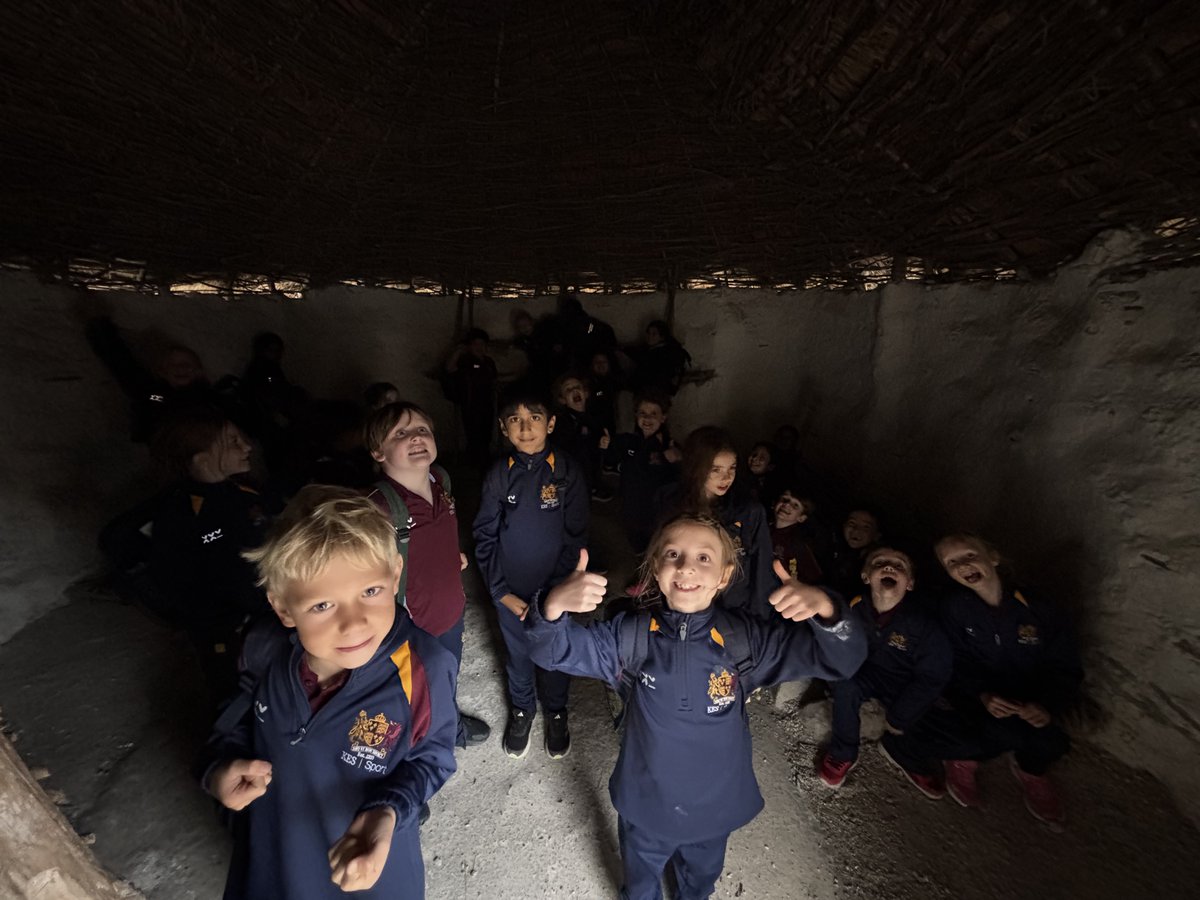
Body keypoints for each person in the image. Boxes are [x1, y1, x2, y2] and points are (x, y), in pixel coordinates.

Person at [525, 513, 866, 900]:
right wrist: (553, 606)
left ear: (724, 575)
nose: (686, 566)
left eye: (704, 558)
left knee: (700, 882)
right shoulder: (630, 639)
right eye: (672, 554)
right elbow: (551, 651)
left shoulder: (745, 641)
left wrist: (827, 608)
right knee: (640, 884)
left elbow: (843, 660)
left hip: (713, 808)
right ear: (655, 568)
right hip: (646, 806)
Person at [202, 486, 458, 898]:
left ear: (394, 574)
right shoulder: (263, 650)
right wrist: (217, 771)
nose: (353, 624)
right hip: (276, 858)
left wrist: (389, 810)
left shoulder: (425, 666)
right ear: (283, 608)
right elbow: (233, 723)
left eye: (370, 592)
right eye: (322, 605)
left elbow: (432, 760)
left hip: (372, 866)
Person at [916, 533, 1083, 829]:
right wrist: (982, 695)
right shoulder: (955, 608)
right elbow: (954, 662)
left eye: (969, 555)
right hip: (983, 695)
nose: (963, 565)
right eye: (952, 562)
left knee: (1050, 742)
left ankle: (1031, 771)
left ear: (993, 557)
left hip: (1032, 693)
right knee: (992, 733)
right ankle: (964, 759)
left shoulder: (1038, 608)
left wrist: (1047, 704)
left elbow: (1065, 663)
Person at [363, 401, 490, 752]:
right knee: (404, 695)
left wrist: (450, 557)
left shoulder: (441, 480)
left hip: (449, 611)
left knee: (446, 672)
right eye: (400, 433)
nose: (416, 437)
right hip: (409, 627)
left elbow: (441, 533)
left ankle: (446, 723)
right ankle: (410, 756)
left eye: (422, 430)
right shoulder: (376, 507)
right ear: (378, 451)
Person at [472, 385, 588, 760]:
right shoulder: (498, 475)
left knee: (555, 651)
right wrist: (500, 591)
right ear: (504, 429)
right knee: (518, 653)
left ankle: (556, 710)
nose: (525, 427)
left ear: (551, 423)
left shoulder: (566, 472)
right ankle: (523, 709)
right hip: (512, 590)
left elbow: (575, 534)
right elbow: (485, 535)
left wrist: (557, 592)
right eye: (515, 420)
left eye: (534, 418)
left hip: (555, 590)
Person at [142, 406, 274, 702]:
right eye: (233, 442)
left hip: (267, 612)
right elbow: (167, 578)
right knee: (232, 691)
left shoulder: (245, 492)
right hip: (222, 628)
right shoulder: (177, 513)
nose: (247, 447)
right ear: (200, 457)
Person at [817, 544, 952, 792]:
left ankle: (905, 757)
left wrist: (900, 716)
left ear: (910, 583)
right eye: (879, 563)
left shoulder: (923, 624)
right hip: (865, 675)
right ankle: (843, 752)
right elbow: (833, 643)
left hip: (904, 682)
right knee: (845, 686)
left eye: (899, 566)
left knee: (924, 720)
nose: (889, 567)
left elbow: (933, 675)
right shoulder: (853, 607)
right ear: (866, 576)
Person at [663, 426, 777, 619]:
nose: (726, 477)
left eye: (732, 467)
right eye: (715, 469)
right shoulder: (671, 503)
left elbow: (762, 568)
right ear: (696, 467)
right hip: (686, 601)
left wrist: (760, 618)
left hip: (734, 608)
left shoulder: (748, 510)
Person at [85, 315, 214, 442]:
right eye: (172, 366)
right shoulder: (152, 394)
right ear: (162, 372)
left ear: (199, 371)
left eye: (187, 365)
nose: (180, 369)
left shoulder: (211, 400)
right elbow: (122, 365)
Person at [606, 389, 681, 553]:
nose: (647, 418)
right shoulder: (628, 441)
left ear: (663, 417)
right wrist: (604, 446)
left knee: (656, 548)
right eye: (643, 413)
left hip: (656, 512)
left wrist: (672, 460)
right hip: (631, 507)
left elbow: (677, 480)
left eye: (654, 413)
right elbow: (610, 458)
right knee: (637, 546)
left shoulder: (670, 446)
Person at [552, 374, 612, 501]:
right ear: (563, 400)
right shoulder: (562, 421)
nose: (574, 390)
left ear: (586, 393)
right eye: (568, 390)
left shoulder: (593, 417)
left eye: (577, 387)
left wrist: (602, 444)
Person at [444, 328, 498, 469]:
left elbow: (494, 380)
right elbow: (449, 369)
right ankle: (474, 465)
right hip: (471, 405)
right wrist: (458, 351)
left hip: (487, 404)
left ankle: (485, 465)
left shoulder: (489, 362)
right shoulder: (465, 361)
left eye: (482, 344)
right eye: (475, 344)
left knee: (486, 436)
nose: (479, 348)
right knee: (474, 436)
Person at [770, 488, 825, 585]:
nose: (787, 505)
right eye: (785, 500)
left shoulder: (798, 542)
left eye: (795, 505)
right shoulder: (764, 527)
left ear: (801, 518)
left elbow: (813, 576)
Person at [631, 319, 691, 396]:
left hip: (656, 394)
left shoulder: (665, 355)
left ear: (662, 337)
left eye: (654, 334)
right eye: (648, 333)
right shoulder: (649, 350)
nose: (650, 336)